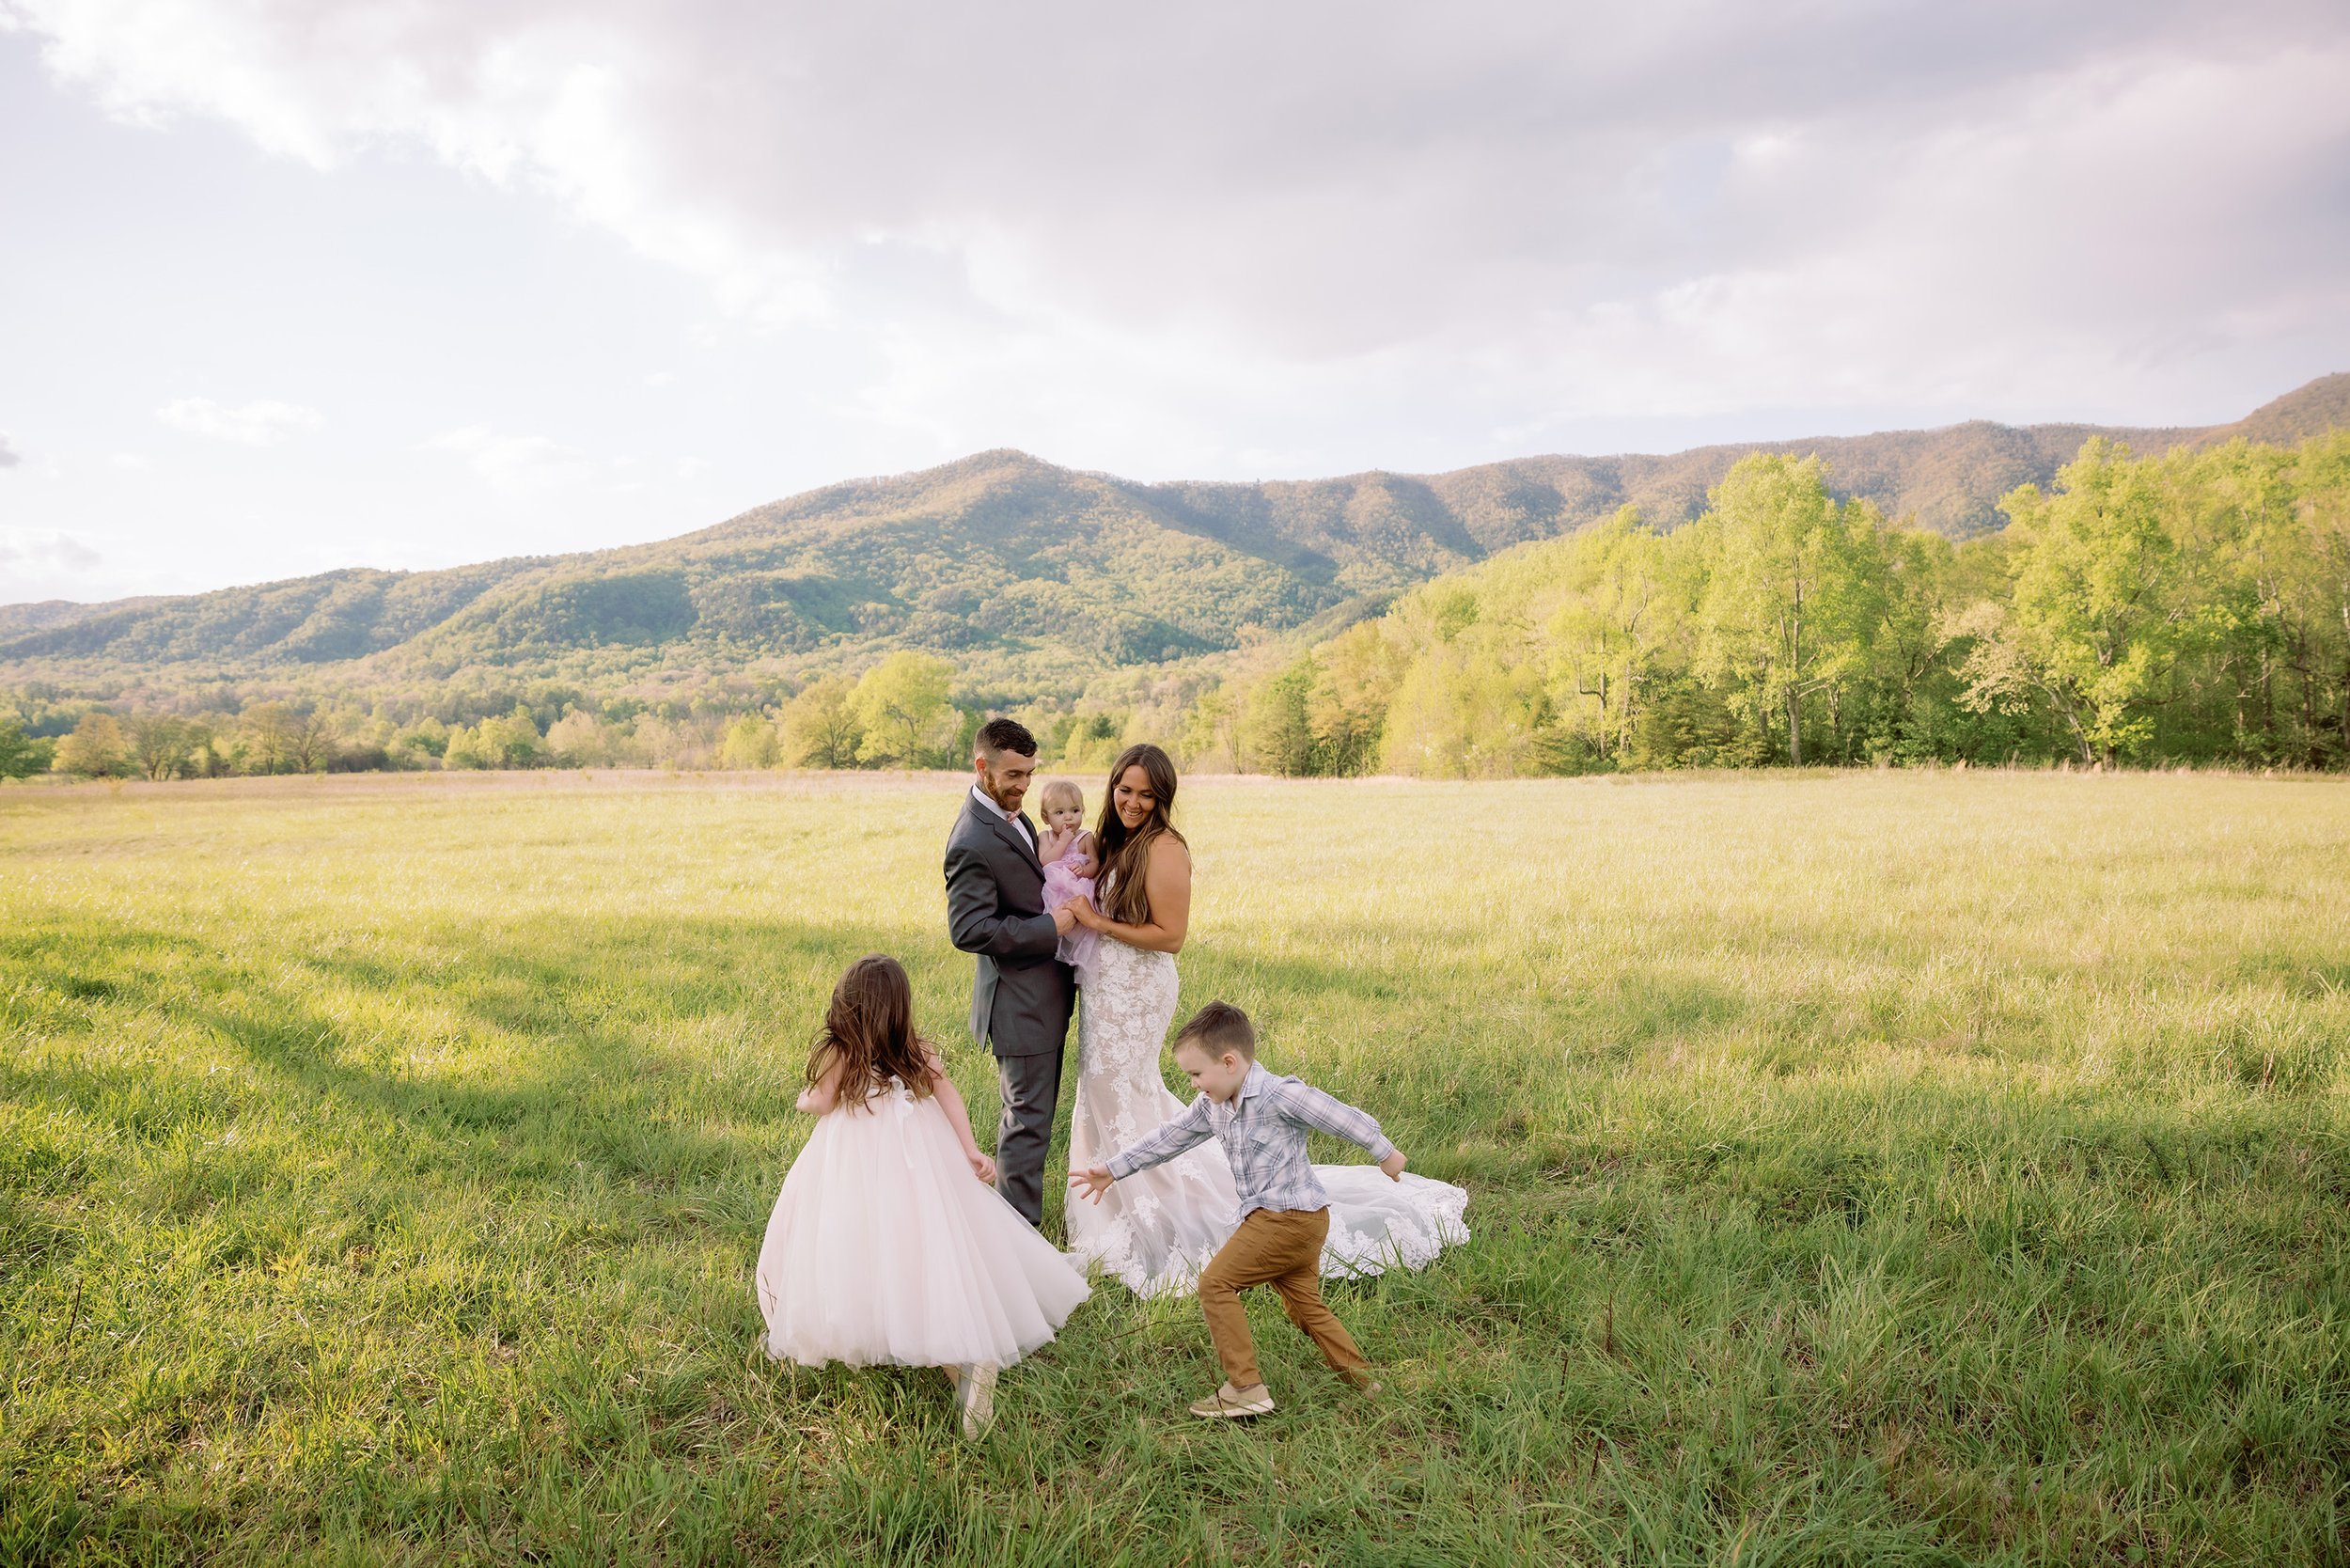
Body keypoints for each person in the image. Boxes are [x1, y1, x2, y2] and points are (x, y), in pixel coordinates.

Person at [1061, 743, 1469, 1296]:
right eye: (1124, 789)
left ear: (1163, 798)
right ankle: (1107, 1202)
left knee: (1122, 1085)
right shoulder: (1117, 841)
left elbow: (1172, 937)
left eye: (1145, 794)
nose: (1132, 802)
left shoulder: (1164, 848)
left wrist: (1096, 923)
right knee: (1102, 1089)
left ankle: (1155, 1208)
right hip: (1106, 992)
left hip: (1137, 992)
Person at [754, 955, 1089, 1439]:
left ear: (847, 1005)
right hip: (921, 1159)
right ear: (899, 1009)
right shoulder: (914, 1050)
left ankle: (880, 1330)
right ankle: (963, 1364)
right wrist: (971, 1149)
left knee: (856, 1243)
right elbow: (947, 1093)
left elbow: (820, 1101)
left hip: (853, 1167)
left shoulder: (840, 1053)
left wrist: (804, 1098)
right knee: (926, 1249)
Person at [1071, 1001, 1394, 1418]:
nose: (1193, 1084)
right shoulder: (1214, 1106)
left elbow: (1336, 1115)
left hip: (1288, 1219)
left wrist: (1383, 1151)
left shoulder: (1279, 1094)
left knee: (1215, 1285)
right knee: (1304, 1306)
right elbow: (1169, 1138)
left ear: (1229, 1062)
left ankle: (1246, 1387)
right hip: (1295, 1221)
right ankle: (1365, 1380)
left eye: (1196, 1074)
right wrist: (1113, 1170)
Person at [943, 718, 1078, 1228]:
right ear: (983, 766)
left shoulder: (1009, 813)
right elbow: (970, 929)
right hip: (1018, 1005)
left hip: (1042, 997)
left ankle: (1018, 1236)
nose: (1025, 785)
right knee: (1026, 1125)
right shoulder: (972, 838)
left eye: (1031, 772)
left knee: (1035, 1119)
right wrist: (1051, 927)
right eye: (1015, 774)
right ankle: (1019, 1242)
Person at [1034, 777, 1102, 984]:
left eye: (1075, 810)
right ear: (1046, 817)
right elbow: (1046, 861)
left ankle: (1077, 959)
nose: (1069, 818)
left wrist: (1083, 870)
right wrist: (1063, 842)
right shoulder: (1045, 837)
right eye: (1059, 812)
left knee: (1082, 933)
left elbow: (1095, 865)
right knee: (1056, 931)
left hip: (1079, 891)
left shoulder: (1086, 837)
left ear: (1083, 810)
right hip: (1054, 893)